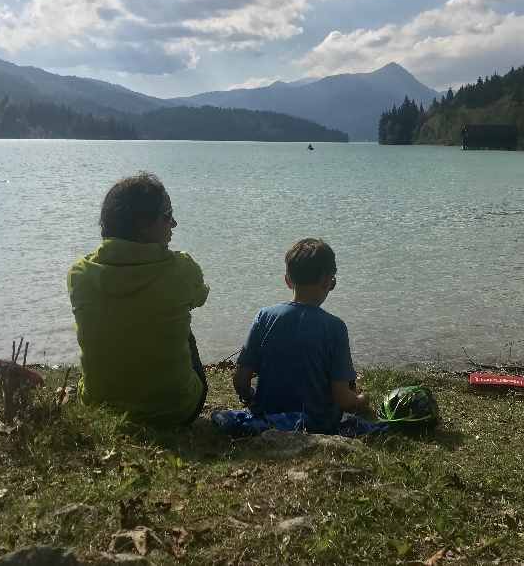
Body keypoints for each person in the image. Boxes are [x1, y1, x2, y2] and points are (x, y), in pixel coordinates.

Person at [67, 172, 209, 426]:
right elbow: (200, 296)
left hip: (100, 407)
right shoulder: (182, 269)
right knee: (182, 326)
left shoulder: (80, 274)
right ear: (143, 224)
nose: (174, 223)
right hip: (175, 410)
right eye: (167, 215)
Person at [233, 238, 369, 434]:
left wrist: (249, 397)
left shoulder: (264, 316)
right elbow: (343, 399)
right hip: (316, 423)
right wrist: (362, 399)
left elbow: (240, 380)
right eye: (332, 283)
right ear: (326, 281)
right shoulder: (335, 327)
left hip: (268, 416)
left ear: (288, 280)